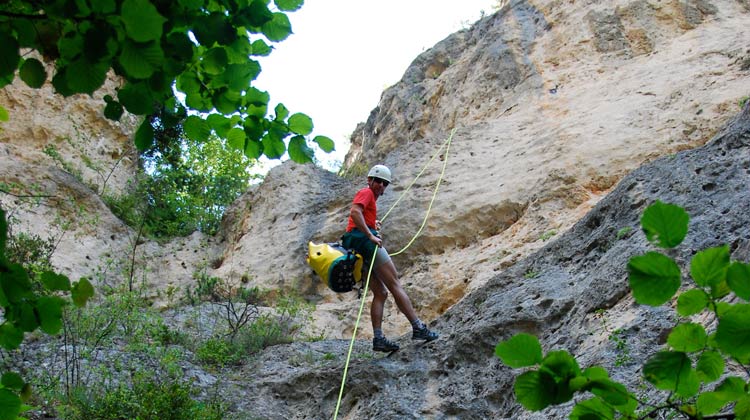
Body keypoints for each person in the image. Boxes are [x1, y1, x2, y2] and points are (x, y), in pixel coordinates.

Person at [341, 164, 439, 352]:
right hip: (365, 243)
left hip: (355, 247)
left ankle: (378, 339)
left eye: (384, 183)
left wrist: (371, 223)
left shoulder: (370, 199)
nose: (380, 186)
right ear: (369, 180)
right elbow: (354, 212)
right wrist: (370, 235)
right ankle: (418, 327)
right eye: (377, 181)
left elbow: (359, 216)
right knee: (394, 284)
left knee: (381, 293)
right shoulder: (366, 192)